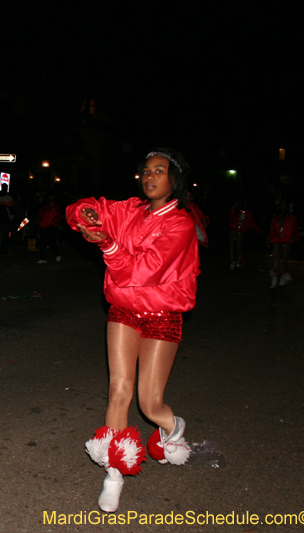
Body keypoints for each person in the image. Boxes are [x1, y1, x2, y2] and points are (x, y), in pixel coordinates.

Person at [65, 148, 200, 513]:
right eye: (145, 171)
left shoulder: (181, 224)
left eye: (159, 171)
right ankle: (113, 474)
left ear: (175, 180)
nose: (149, 176)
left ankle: (173, 425)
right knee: (118, 389)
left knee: (149, 403)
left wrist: (107, 244)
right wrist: (87, 215)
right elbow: (84, 206)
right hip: (123, 310)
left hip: (162, 313)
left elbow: (142, 271)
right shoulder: (129, 210)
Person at [267, 200, 300, 288]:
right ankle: (274, 279)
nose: (282, 207)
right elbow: (272, 229)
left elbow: (295, 229)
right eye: (281, 205)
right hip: (277, 239)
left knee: (284, 260)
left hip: (287, 240)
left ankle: (283, 278)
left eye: (284, 205)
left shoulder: (291, 218)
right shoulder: (276, 218)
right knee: (276, 259)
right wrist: (269, 239)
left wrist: (295, 238)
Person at [227, 200, 261, 269]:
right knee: (231, 244)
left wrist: (259, 230)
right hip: (234, 229)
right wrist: (233, 210)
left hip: (241, 230)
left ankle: (240, 258)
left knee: (238, 245)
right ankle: (232, 259)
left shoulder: (247, 213)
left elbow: (251, 223)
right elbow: (231, 219)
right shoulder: (235, 212)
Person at [36, 193, 61, 263]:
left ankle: (57, 254)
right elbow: (40, 215)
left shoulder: (56, 207)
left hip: (52, 226)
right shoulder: (45, 206)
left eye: (51, 197)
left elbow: (57, 216)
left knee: (51, 242)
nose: (50, 199)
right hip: (43, 226)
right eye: (49, 197)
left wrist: (53, 223)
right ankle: (43, 258)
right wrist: (39, 222)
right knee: (42, 242)